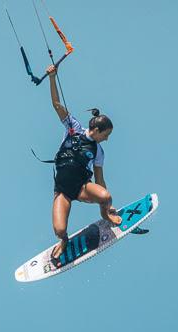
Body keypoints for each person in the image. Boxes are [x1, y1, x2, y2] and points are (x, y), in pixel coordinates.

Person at [45, 64, 121, 265]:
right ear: (96, 129)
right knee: (59, 229)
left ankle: (106, 215)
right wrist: (53, 77)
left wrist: (107, 206)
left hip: (81, 188)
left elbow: (100, 180)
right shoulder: (74, 128)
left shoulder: (98, 151)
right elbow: (56, 104)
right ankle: (64, 241)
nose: (107, 139)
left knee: (105, 196)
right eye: (107, 135)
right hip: (62, 191)